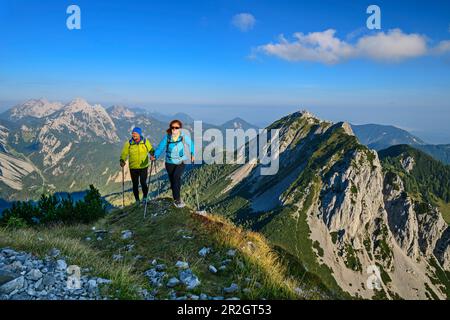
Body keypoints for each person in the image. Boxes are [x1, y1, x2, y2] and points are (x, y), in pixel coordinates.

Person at [151, 120, 195, 208]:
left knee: (176, 177)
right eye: (172, 127)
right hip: (169, 163)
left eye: (176, 127)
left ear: (180, 129)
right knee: (173, 181)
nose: (174, 129)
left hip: (181, 161)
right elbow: (160, 148)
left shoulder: (183, 137)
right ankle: (176, 198)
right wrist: (155, 156)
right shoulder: (167, 138)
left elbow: (191, 144)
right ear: (170, 128)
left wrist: (192, 154)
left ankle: (177, 200)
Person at [120, 127, 154, 206]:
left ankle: (145, 197)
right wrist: (122, 160)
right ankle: (137, 200)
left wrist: (152, 154)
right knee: (135, 184)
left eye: (135, 133)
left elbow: (151, 149)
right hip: (133, 167)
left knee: (143, 182)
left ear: (139, 134)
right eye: (133, 133)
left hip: (143, 166)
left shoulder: (145, 142)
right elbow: (124, 153)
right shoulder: (128, 143)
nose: (133, 134)